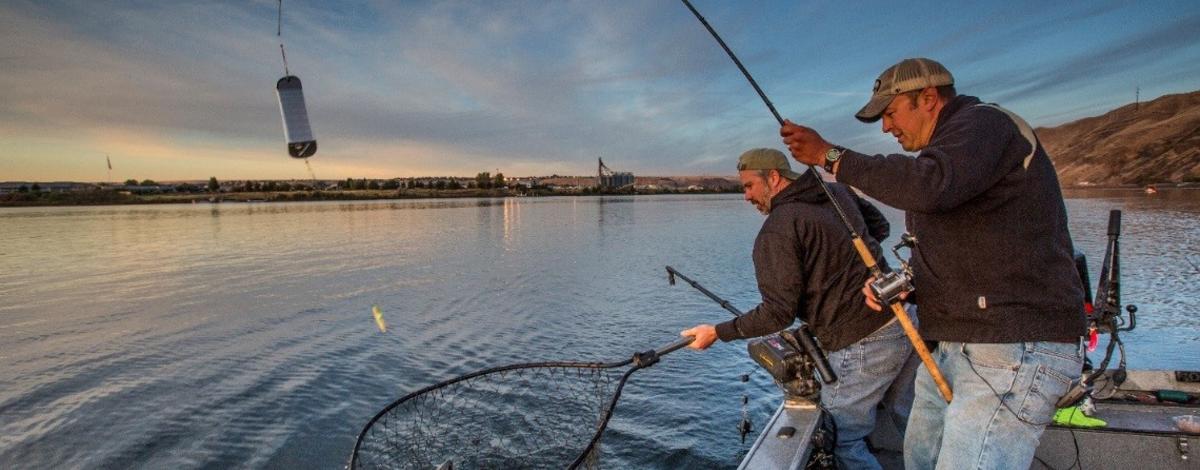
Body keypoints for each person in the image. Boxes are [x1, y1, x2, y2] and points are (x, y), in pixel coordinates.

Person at [780, 57, 1086, 469]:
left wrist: (829, 155)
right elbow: (965, 242)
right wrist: (911, 284)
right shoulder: (953, 157)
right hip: (956, 343)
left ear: (927, 98)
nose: (887, 128)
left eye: (890, 114)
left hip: (1012, 344)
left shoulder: (984, 124)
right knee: (921, 457)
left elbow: (927, 186)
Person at [681, 148, 917, 470]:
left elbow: (777, 313)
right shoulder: (836, 192)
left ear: (773, 178)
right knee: (909, 424)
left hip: (862, 342)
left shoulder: (778, 229)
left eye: (749, 186)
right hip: (903, 322)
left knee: (840, 438)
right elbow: (878, 229)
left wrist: (717, 332)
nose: (746, 196)